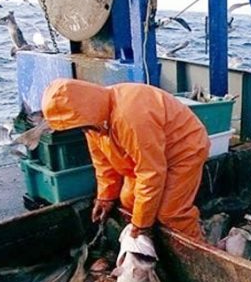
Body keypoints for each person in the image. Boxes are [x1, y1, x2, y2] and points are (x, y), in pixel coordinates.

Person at [41, 79, 210, 239]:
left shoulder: (130, 117)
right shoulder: (92, 122)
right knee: (129, 201)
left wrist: (142, 225)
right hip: (146, 158)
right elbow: (103, 162)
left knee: (170, 214)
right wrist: (105, 197)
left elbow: (151, 172)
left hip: (183, 150)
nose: (82, 130)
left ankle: (199, 256)